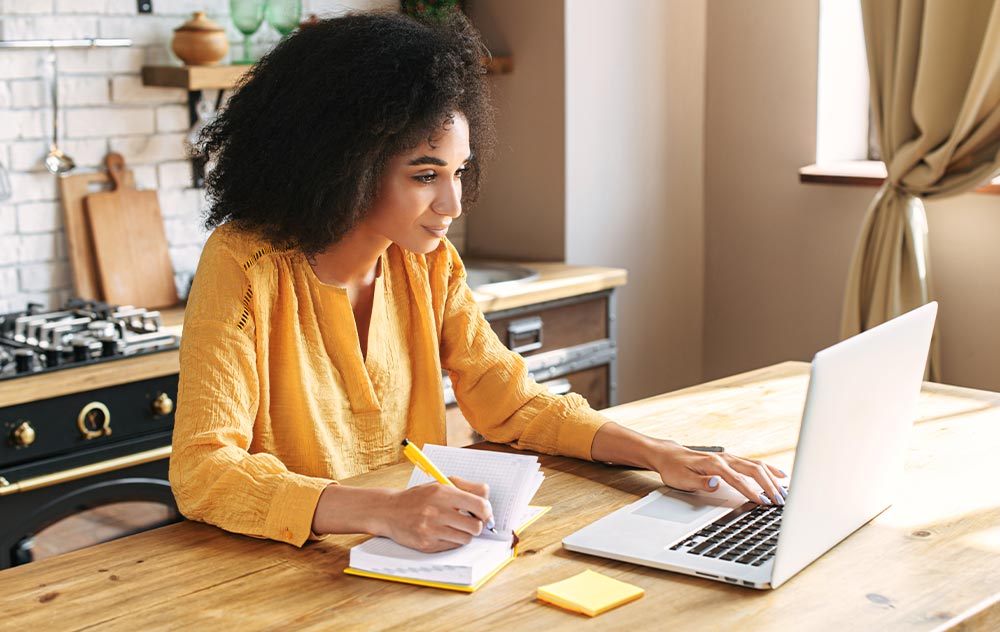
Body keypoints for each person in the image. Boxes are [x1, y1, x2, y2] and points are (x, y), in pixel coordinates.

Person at [169, 10, 786, 555]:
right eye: (425, 174)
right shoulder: (244, 264)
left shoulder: (426, 262)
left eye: (460, 172)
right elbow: (204, 471)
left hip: (425, 556)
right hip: (287, 573)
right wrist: (384, 512)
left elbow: (511, 403)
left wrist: (658, 453)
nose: (452, 204)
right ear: (341, 166)